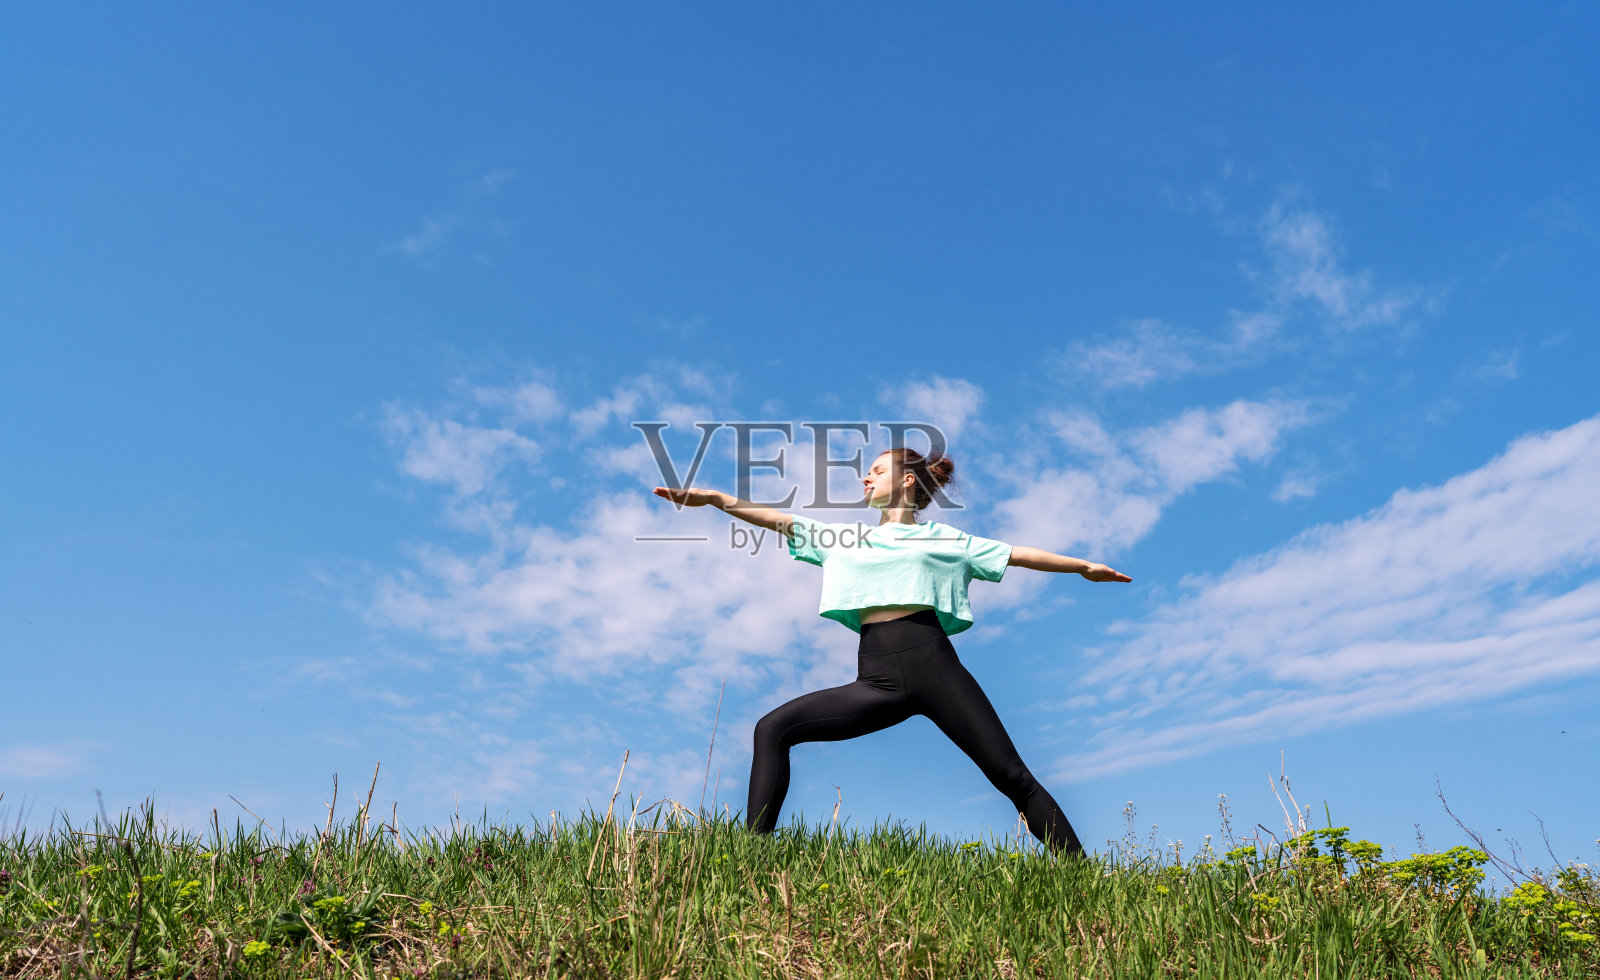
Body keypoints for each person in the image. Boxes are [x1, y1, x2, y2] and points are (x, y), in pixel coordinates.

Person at [651, 447, 1131, 856]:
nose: (865, 476)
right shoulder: (844, 538)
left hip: (936, 668)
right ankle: (750, 854)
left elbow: (1017, 553)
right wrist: (716, 500)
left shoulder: (944, 538)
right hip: (876, 680)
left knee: (1012, 776)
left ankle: (1082, 875)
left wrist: (1083, 566)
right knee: (772, 729)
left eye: (877, 470)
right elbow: (780, 519)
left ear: (906, 480)